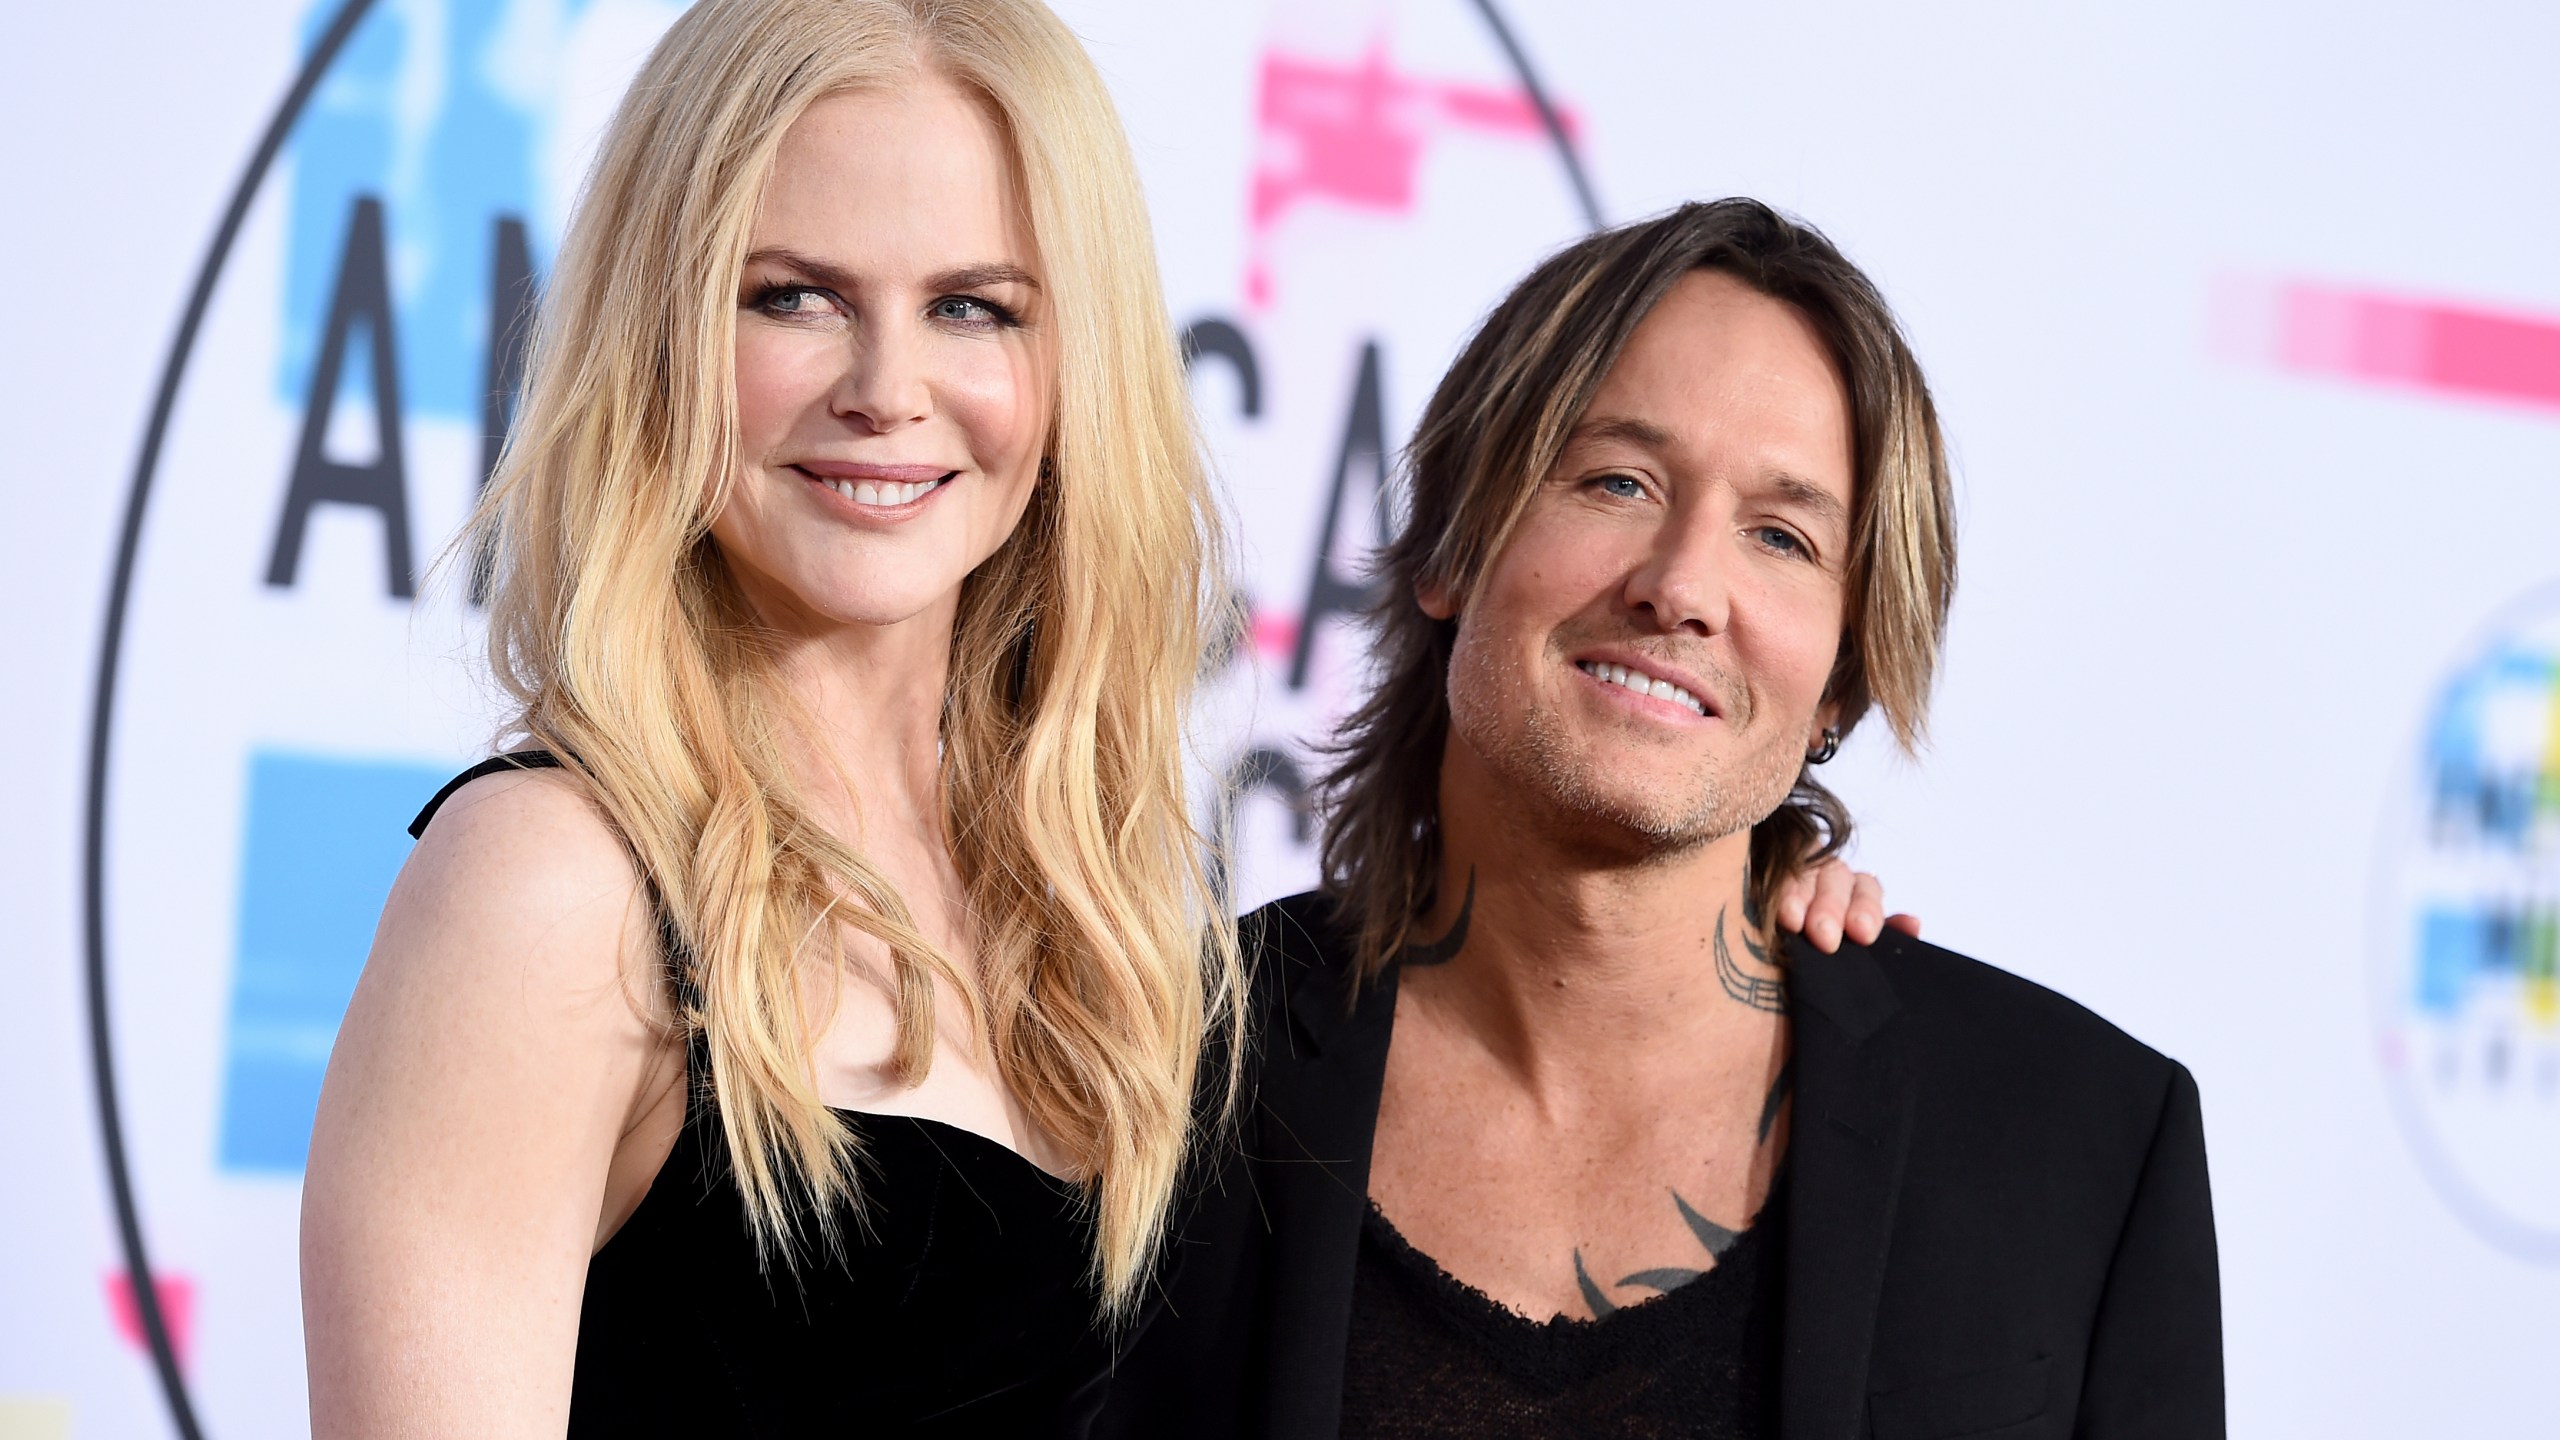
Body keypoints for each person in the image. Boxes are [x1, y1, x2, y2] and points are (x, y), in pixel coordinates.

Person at [1100, 200, 2223, 1438]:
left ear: (1842, 677)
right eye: (1617, 481)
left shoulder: (2077, 1143)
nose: (1682, 584)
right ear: (1452, 546)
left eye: (1781, 537)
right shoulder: (1146, 1071)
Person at [299, 2, 1244, 1433]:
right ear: (660, 328)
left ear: (1074, 373)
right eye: (793, 296)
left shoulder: (1087, 915)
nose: (886, 392)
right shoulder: (550, 888)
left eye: (972, 307)